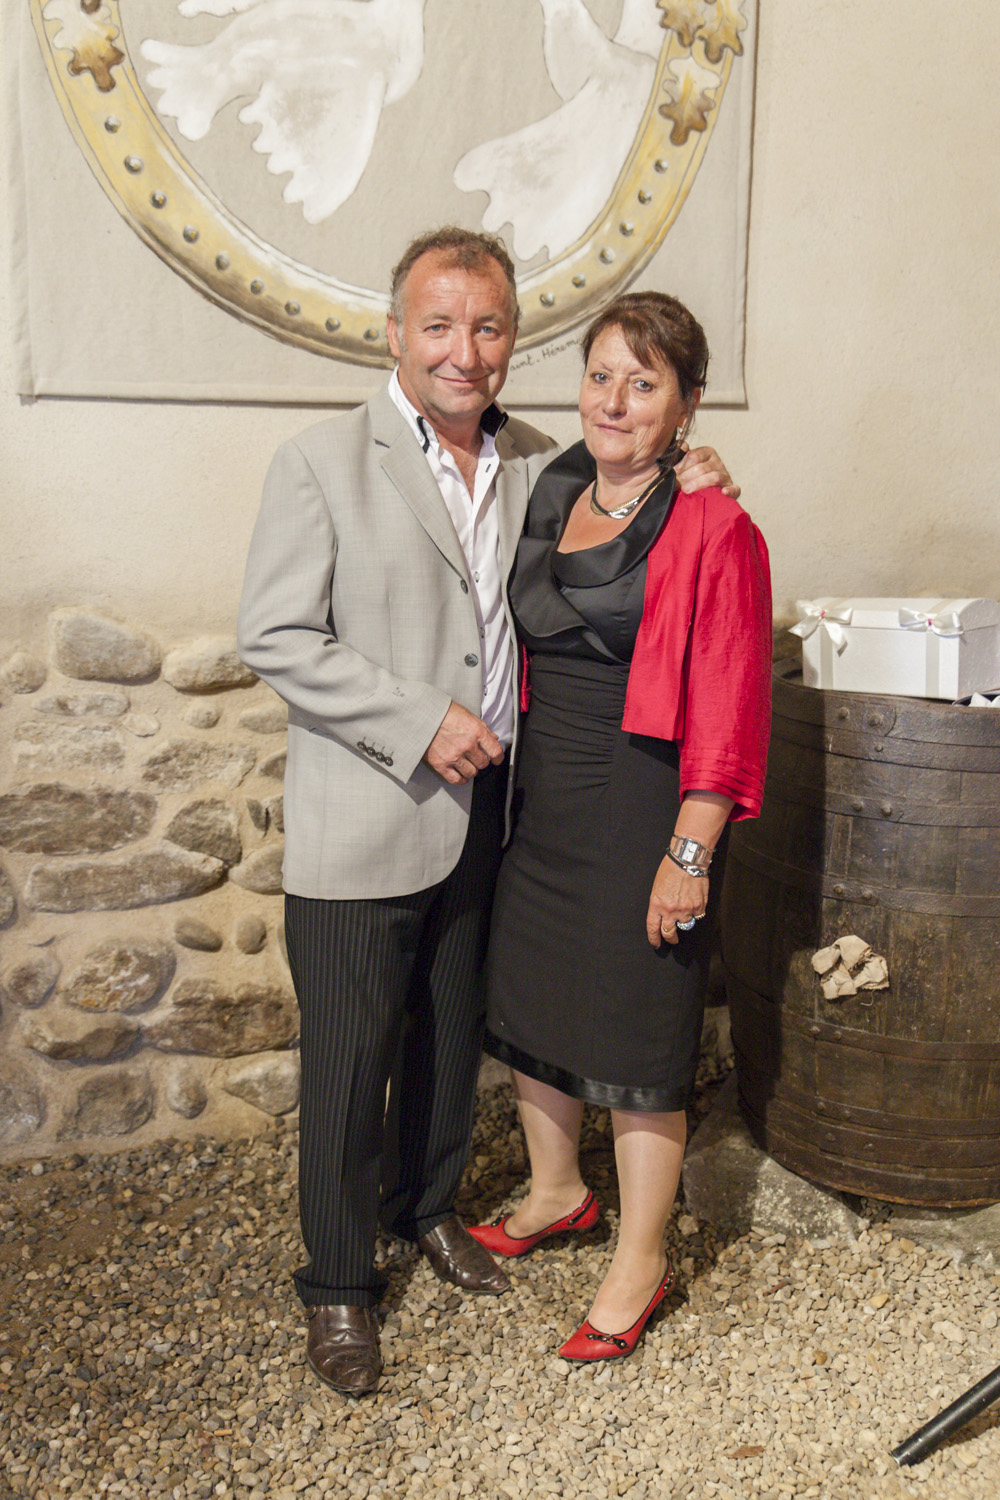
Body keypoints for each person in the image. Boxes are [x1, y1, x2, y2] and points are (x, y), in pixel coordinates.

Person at [238, 231, 736, 1397]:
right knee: (350, 1065)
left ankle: (425, 1211)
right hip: (365, 816)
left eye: (489, 327)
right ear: (395, 334)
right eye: (439, 326)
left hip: (488, 818)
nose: (463, 351)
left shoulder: (536, 464)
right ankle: (338, 1285)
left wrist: (695, 468)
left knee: (451, 1040)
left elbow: (632, 501)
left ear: (512, 340)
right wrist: (419, 720)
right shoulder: (320, 462)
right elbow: (275, 634)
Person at [471, 291, 772, 1364]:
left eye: (644, 384)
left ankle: (640, 1259)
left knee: (643, 1021)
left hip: (647, 790)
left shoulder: (716, 525)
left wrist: (688, 855)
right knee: (533, 987)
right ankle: (558, 1190)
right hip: (547, 787)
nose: (614, 400)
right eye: (600, 375)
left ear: (686, 406)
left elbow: (731, 708)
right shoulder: (554, 486)